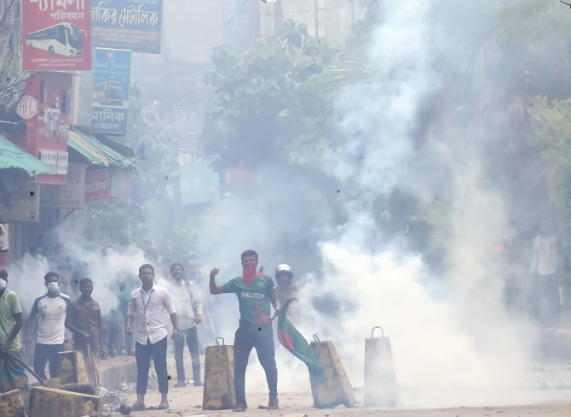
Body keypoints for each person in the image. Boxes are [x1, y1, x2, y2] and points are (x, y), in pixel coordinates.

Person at [210, 250, 279, 412]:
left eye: (251, 260)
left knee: (269, 364)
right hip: (244, 329)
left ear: (256, 262)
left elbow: (273, 297)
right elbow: (214, 291)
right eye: (246, 261)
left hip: (263, 328)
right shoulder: (237, 282)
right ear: (241, 263)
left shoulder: (266, 280)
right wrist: (212, 277)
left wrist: (277, 307)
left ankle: (273, 399)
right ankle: (240, 403)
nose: (248, 263)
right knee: (239, 366)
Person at [127, 264, 178, 411]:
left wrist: (176, 327)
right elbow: (130, 312)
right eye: (143, 273)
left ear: (153, 275)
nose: (146, 275)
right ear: (139, 276)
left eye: (149, 273)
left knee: (161, 368)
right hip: (141, 336)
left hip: (158, 334)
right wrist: (128, 324)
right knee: (142, 369)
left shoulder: (162, 292)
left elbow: (172, 310)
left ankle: (164, 400)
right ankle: (140, 401)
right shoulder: (135, 294)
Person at [167, 263, 203, 387]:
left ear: (182, 271)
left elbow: (198, 302)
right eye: (175, 269)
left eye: (179, 269)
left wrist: (199, 314)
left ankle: (197, 379)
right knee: (178, 354)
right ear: (171, 272)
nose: (177, 271)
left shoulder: (189, 286)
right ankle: (181, 380)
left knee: (194, 352)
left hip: (191, 323)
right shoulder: (168, 288)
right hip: (177, 325)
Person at [30, 272, 70, 381]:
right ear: (45, 284)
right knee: (38, 370)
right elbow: (31, 318)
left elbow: (70, 318)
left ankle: (53, 389)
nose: (53, 283)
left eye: (55, 281)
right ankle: (46, 385)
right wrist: (30, 334)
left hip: (58, 342)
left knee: (55, 371)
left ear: (59, 282)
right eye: (50, 281)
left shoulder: (66, 300)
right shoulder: (39, 300)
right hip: (41, 341)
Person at [65, 278, 103, 387]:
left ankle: (96, 390)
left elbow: (99, 326)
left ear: (92, 288)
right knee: (82, 369)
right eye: (85, 287)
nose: (87, 289)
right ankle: (85, 391)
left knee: (95, 369)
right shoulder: (74, 305)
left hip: (94, 343)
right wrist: (82, 333)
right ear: (80, 288)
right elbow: (67, 323)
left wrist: (102, 346)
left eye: (89, 287)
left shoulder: (96, 304)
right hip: (80, 343)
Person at [0, 269, 31, 398]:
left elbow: (19, 321)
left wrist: (7, 344)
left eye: (4, 277)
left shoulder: (11, 296)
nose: (1, 279)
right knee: (2, 381)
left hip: (12, 347)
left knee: (19, 378)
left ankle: (26, 404)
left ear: (7, 281)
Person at [530, 221, 564, 327]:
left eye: (546, 225)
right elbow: (536, 257)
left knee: (554, 297)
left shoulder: (553, 239)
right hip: (541, 272)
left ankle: (556, 320)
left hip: (553, 271)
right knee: (543, 297)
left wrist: (558, 269)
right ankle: (545, 320)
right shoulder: (536, 240)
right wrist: (532, 271)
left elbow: (557, 254)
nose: (544, 228)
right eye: (542, 226)